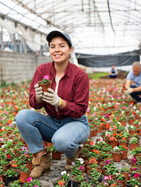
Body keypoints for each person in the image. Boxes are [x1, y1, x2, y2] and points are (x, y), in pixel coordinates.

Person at [15, 30, 90, 178]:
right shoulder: (42, 70)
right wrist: (38, 97)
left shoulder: (79, 75)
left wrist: (60, 102)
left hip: (76, 122)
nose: (57, 50)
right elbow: (33, 103)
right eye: (52, 46)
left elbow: (80, 110)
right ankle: (42, 158)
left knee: (62, 141)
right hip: (52, 122)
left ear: (70, 50)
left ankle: (72, 154)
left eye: (62, 46)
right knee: (22, 116)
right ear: (49, 50)